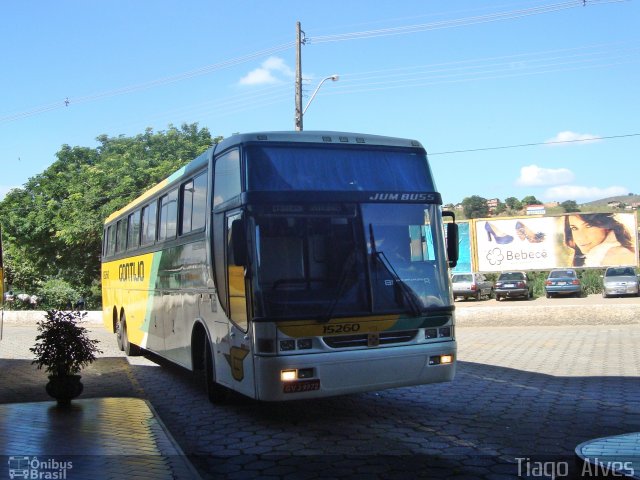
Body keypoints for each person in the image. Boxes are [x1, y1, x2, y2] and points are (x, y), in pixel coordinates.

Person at [564, 213, 636, 267]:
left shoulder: (618, 255)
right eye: (574, 228)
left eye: (589, 226)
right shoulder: (595, 256)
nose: (580, 237)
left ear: (606, 226)